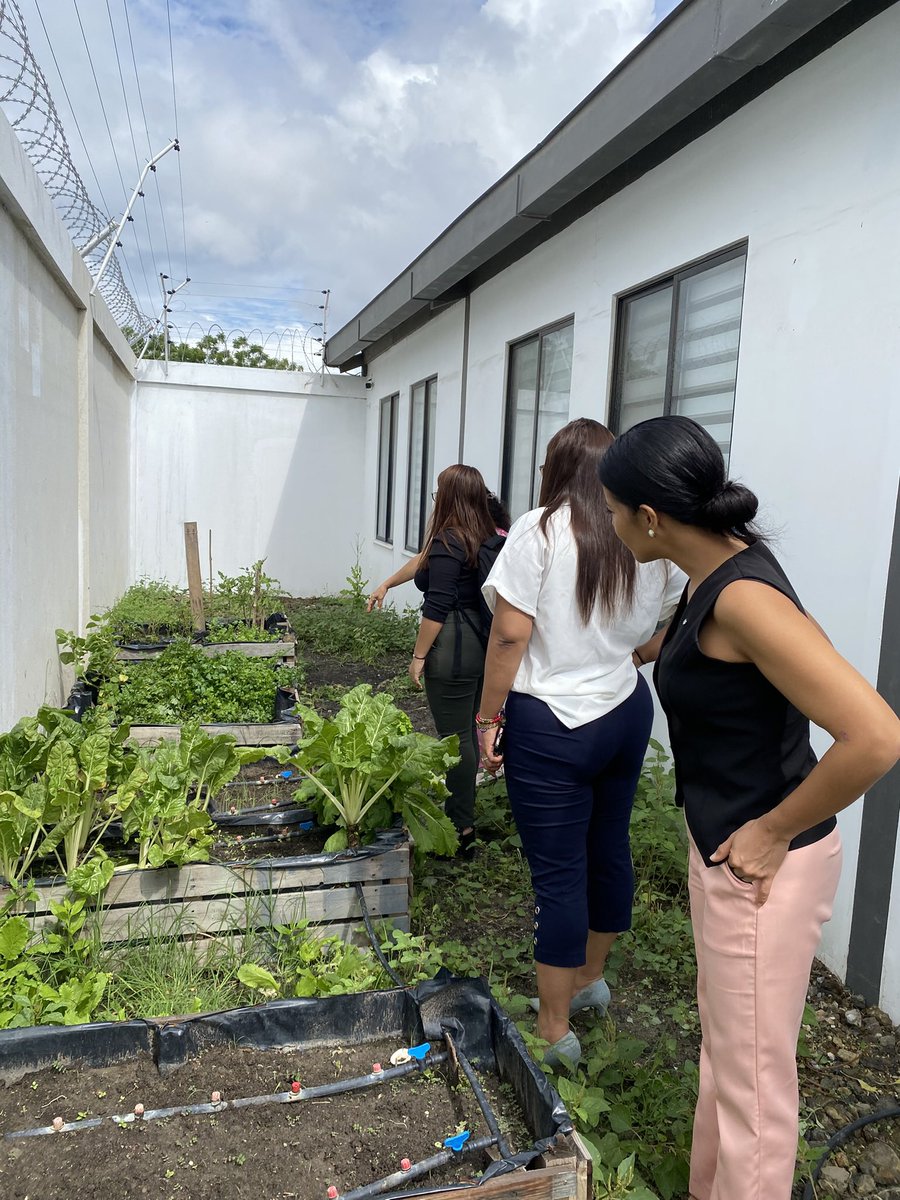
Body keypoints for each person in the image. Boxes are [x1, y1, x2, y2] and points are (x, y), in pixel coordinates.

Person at [598, 414, 900, 1200]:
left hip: (763, 867)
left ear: (651, 518)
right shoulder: (713, 574)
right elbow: (785, 656)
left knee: (754, 1096)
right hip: (730, 850)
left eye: (613, 511)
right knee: (731, 1064)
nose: (609, 524)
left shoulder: (741, 598)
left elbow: (876, 737)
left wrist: (772, 830)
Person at [477, 418, 685, 1067]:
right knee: (608, 847)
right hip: (624, 710)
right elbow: (681, 610)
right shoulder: (642, 534)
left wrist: (487, 719)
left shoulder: (540, 530)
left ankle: (553, 1026)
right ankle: (590, 980)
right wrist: (636, 656)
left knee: (559, 873)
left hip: (551, 722)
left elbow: (509, 635)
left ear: (557, 469)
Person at [371, 465, 500, 851]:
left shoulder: (449, 539)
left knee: (455, 739)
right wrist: (387, 583)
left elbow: (437, 604)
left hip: (454, 645)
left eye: (438, 492)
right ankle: (464, 817)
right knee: (467, 733)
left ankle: (459, 828)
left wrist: (418, 655)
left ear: (448, 497)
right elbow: (425, 560)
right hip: (482, 642)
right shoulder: (484, 535)